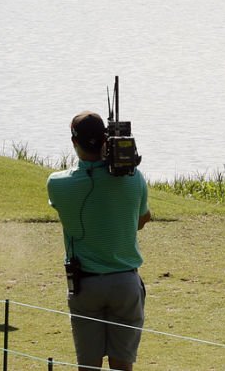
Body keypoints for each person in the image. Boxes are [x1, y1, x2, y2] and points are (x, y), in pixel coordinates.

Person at [47, 112, 152, 370]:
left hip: (85, 285)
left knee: (89, 366)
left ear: (74, 141)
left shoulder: (57, 184)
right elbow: (141, 220)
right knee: (122, 366)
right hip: (125, 283)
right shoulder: (134, 177)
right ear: (106, 139)